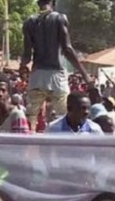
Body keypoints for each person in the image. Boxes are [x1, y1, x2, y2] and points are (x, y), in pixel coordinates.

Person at [21, 0, 91, 131]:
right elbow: (67, 49)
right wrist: (85, 74)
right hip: (57, 76)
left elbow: (26, 53)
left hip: (37, 76)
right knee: (65, 117)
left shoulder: (29, 22)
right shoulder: (60, 18)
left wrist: (22, 66)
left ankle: (27, 149)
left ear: (38, 3)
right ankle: (64, 148)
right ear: (53, 2)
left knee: (29, 119)